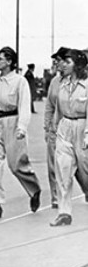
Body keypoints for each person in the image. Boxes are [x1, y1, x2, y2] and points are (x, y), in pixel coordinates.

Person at [0, 47, 41, 219]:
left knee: (16, 165)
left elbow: (24, 106)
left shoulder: (20, 82)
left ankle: (34, 190)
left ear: (9, 61)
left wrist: (22, 127)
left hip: (13, 122)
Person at [51, 49, 88, 226]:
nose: (62, 64)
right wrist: (55, 129)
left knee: (85, 170)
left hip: (83, 128)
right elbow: (58, 109)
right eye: (62, 61)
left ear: (78, 65)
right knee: (63, 169)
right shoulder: (62, 84)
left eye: (67, 61)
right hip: (65, 127)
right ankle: (64, 212)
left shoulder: (87, 85)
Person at [44, 47, 69, 209]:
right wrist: (47, 127)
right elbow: (49, 105)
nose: (56, 64)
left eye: (59, 61)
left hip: (73, 128)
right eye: (55, 61)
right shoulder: (54, 82)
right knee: (53, 165)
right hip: (55, 129)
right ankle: (56, 196)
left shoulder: (78, 81)